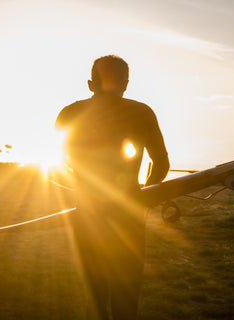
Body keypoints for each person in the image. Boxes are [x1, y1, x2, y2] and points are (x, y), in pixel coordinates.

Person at [56, 55, 169, 320]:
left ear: (89, 84)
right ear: (126, 84)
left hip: (86, 216)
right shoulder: (142, 113)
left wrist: (76, 189)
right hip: (128, 216)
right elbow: (161, 164)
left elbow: (57, 165)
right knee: (125, 298)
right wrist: (146, 195)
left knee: (94, 297)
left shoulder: (69, 113)